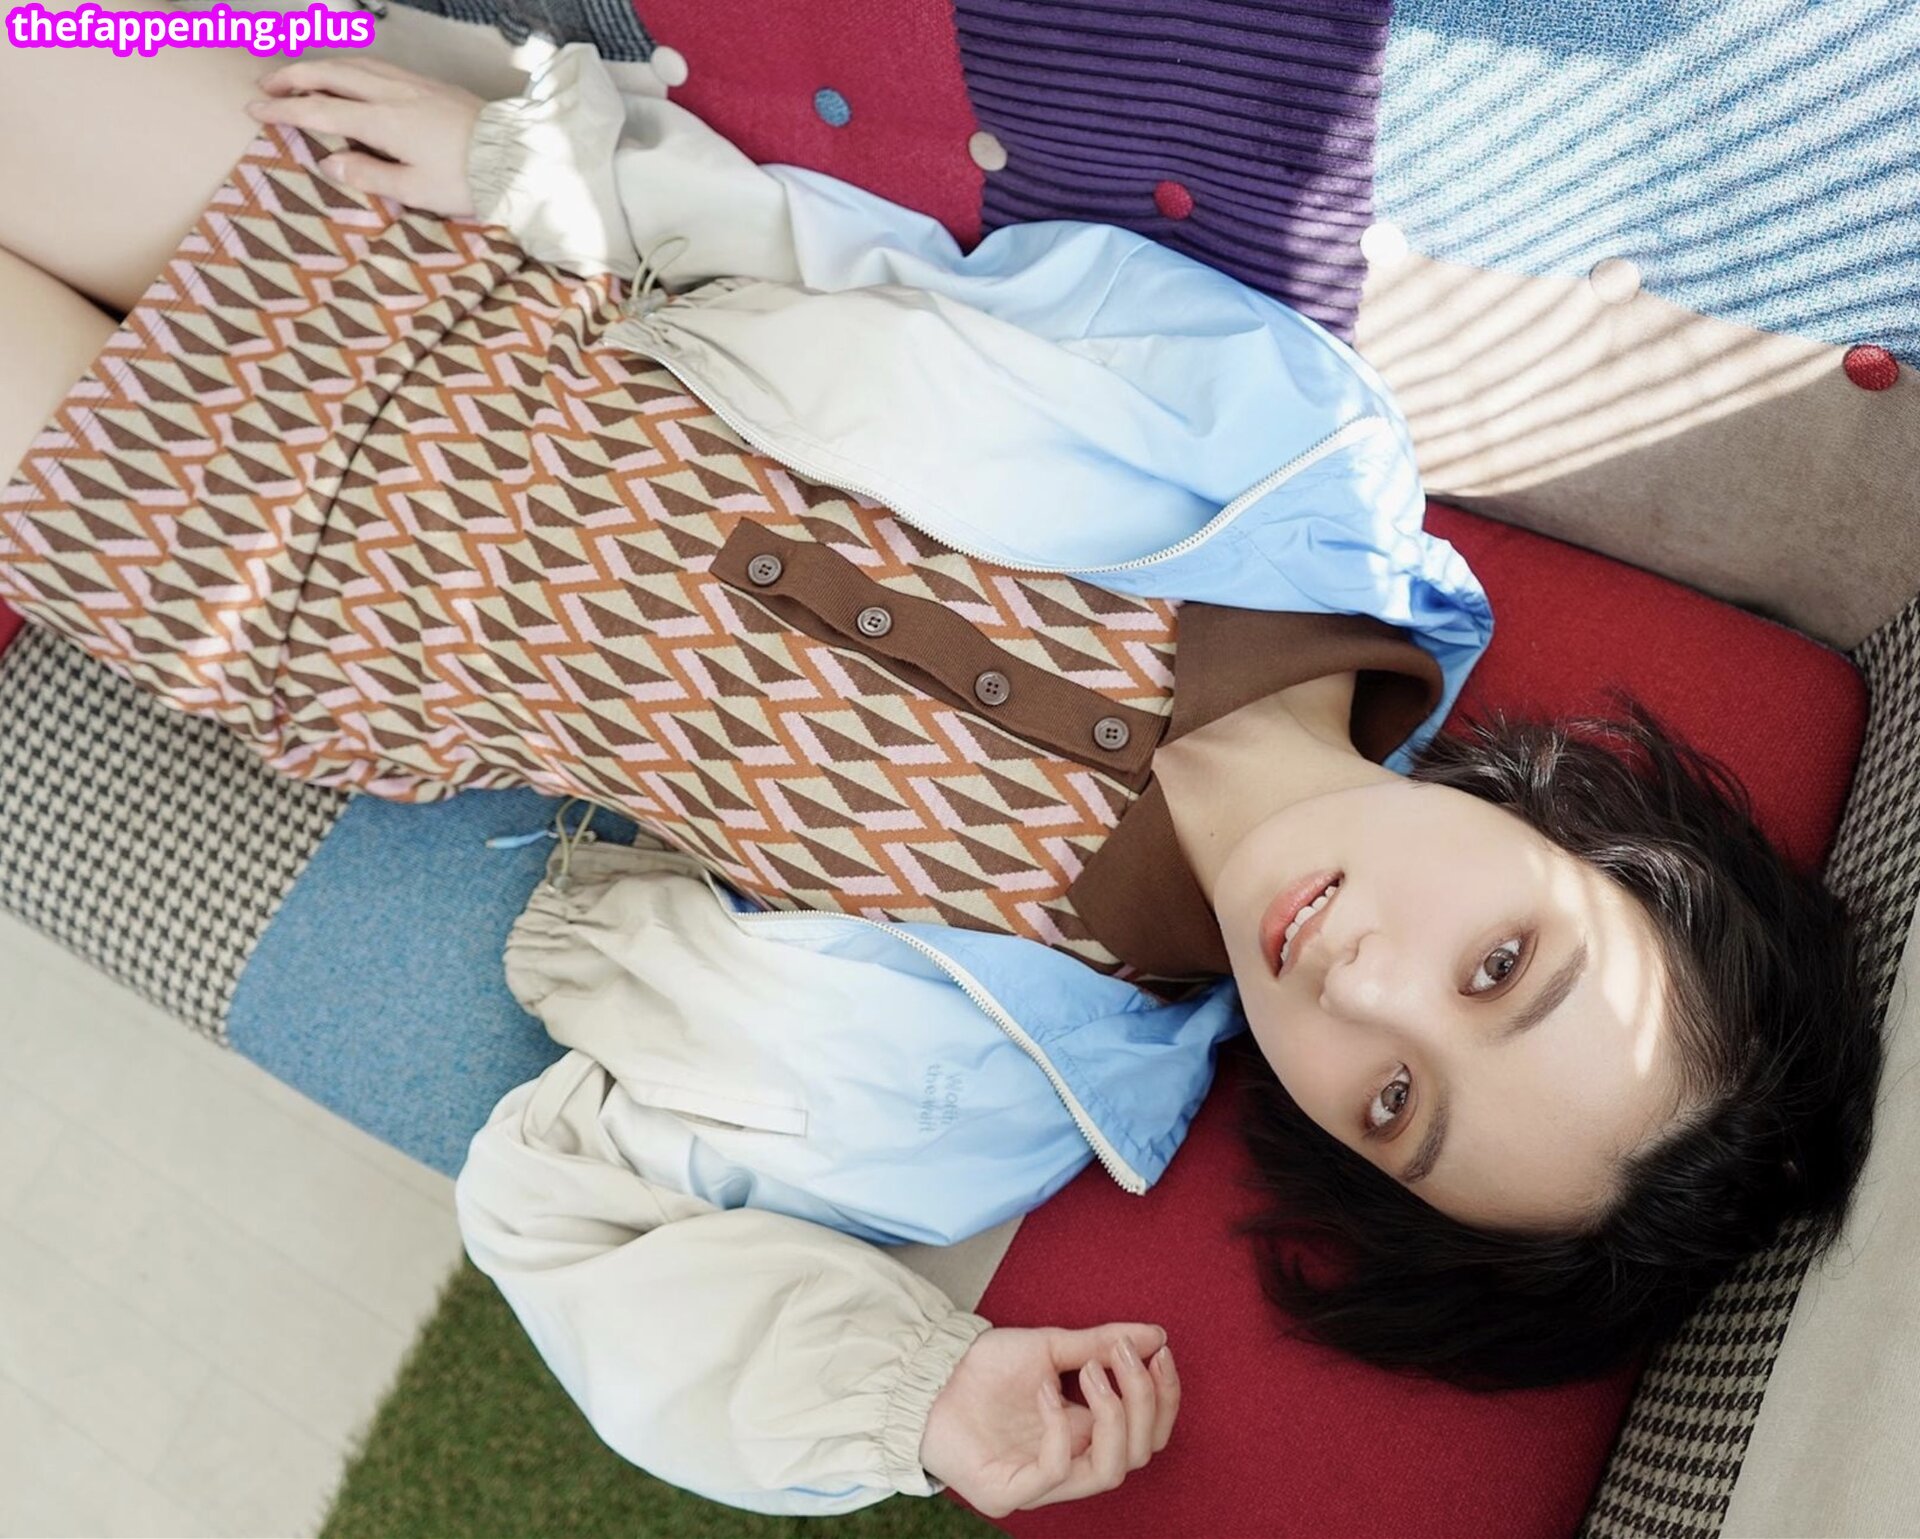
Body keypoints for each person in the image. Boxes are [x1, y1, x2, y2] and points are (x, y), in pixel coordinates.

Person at [0, 33, 1883, 1521]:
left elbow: (555, 1218)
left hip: (269, 581)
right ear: (1585, 840)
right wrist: (561, 170)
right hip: (464, 264)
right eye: (1503, 965)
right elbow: (902, 266)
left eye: (1396, 1104)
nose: (1367, 988)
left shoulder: (981, 1096)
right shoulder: (1302, 462)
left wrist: (905, 1403)